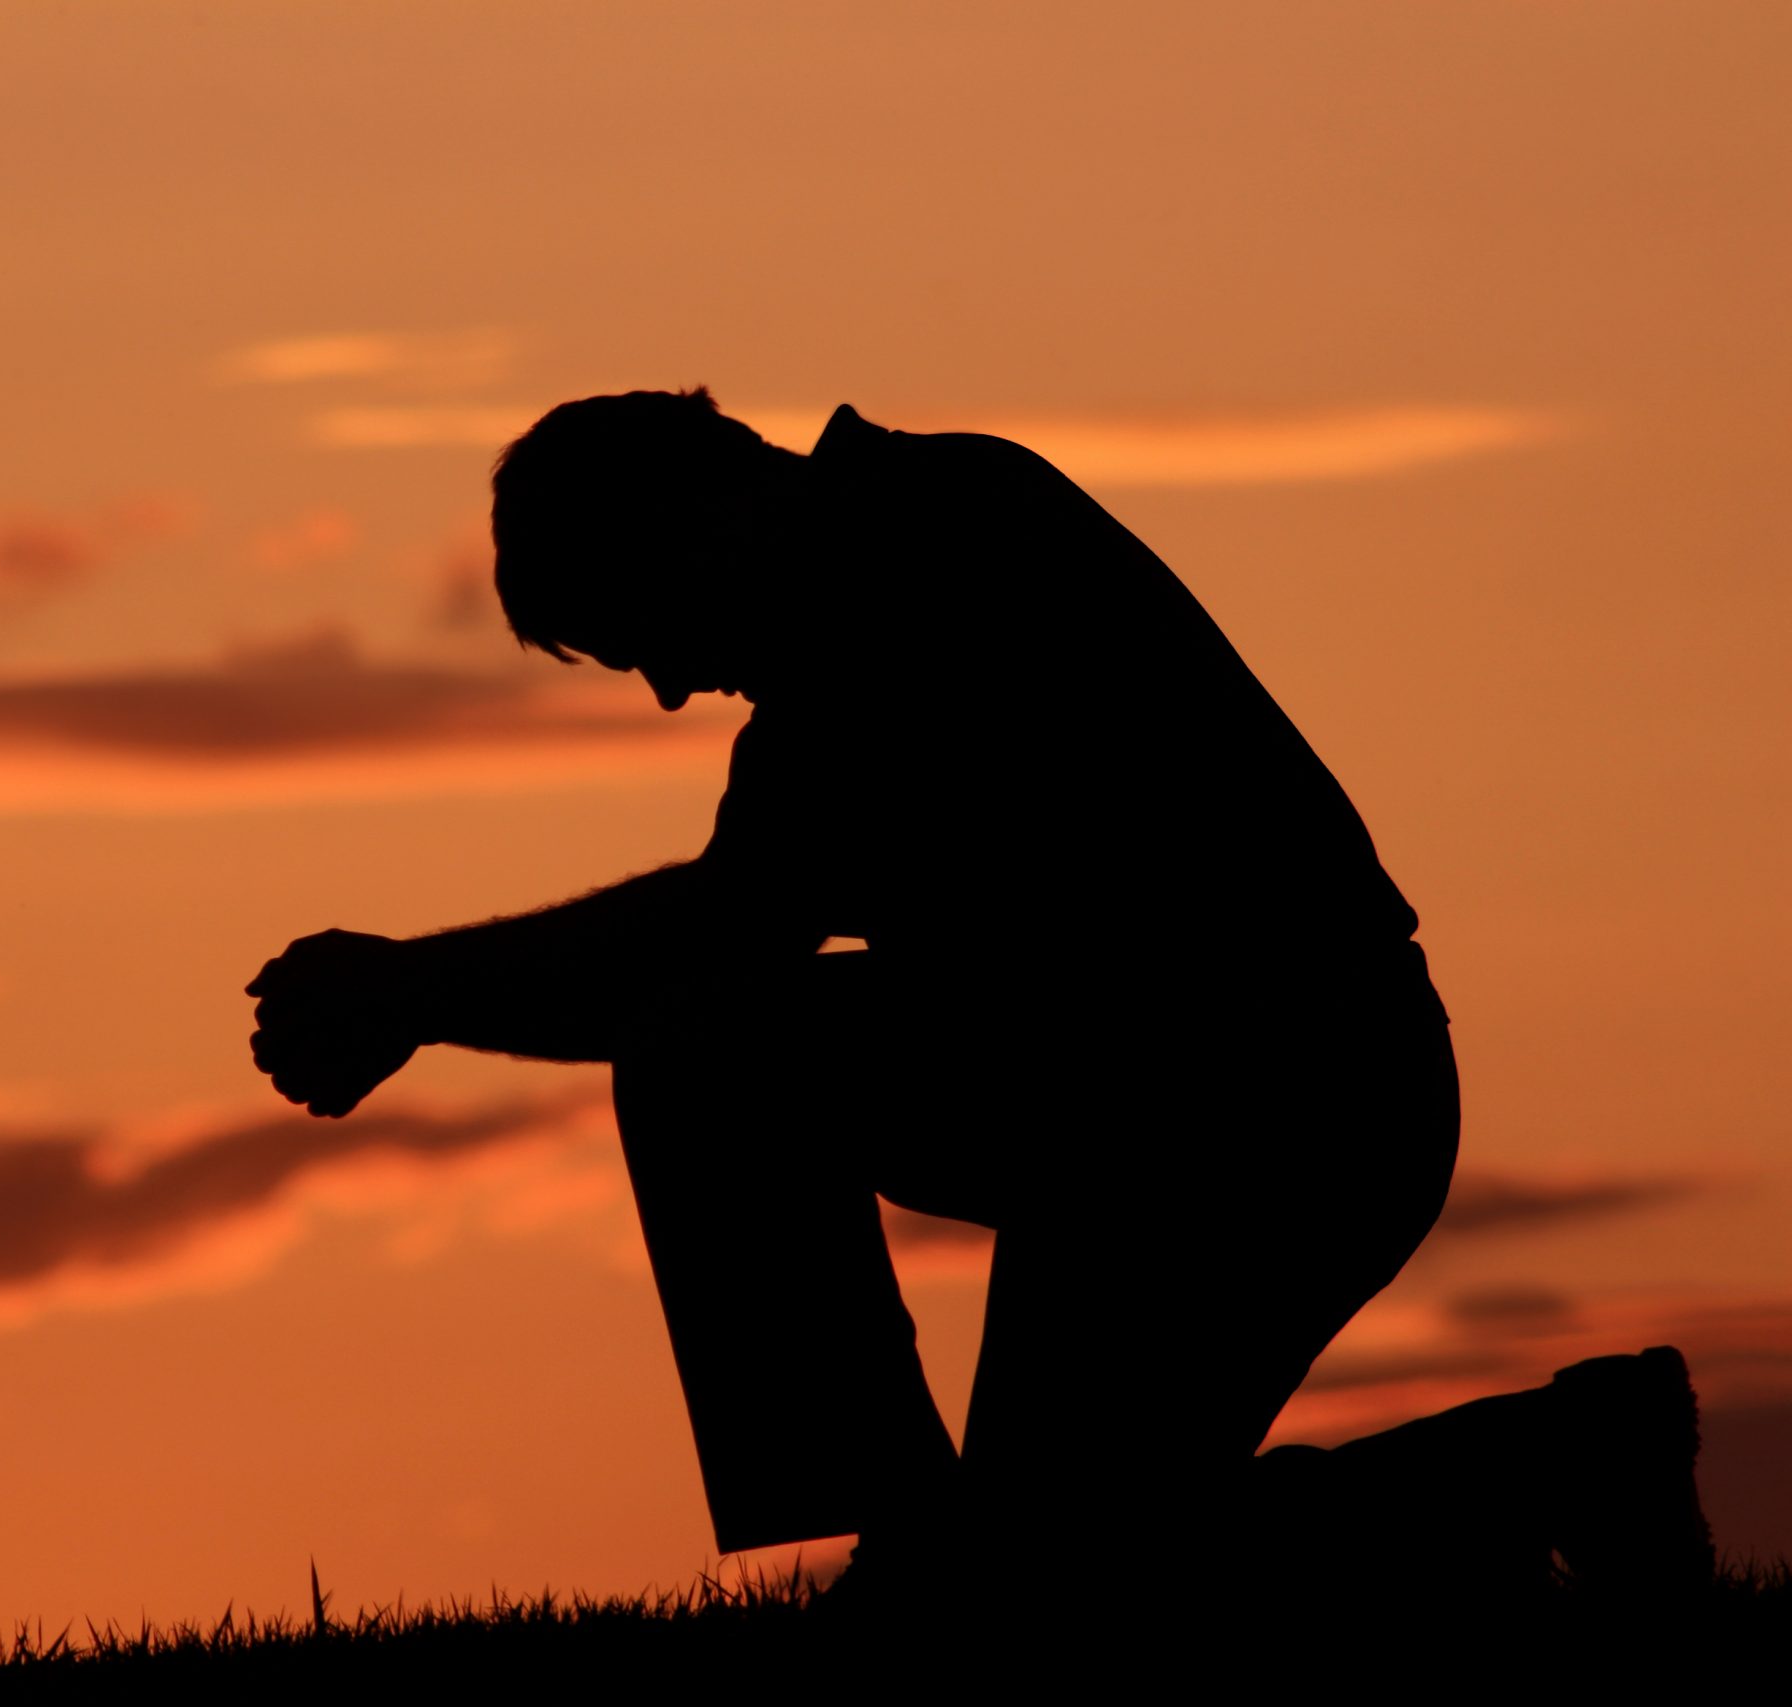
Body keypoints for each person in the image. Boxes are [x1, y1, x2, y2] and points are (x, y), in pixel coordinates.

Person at [244, 387, 1710, 1605]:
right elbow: (717, 949)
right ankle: (1555, 1461)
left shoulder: (931, 544)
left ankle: (933, 1536)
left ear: (711, 508)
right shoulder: (868, 600)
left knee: (717, 1053)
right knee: (1050, 1585)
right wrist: (419, 993)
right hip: (1142, 1115)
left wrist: (414, 986)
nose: (672, 688)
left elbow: (722, 941)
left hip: (1279, 1099)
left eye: (647, 629)